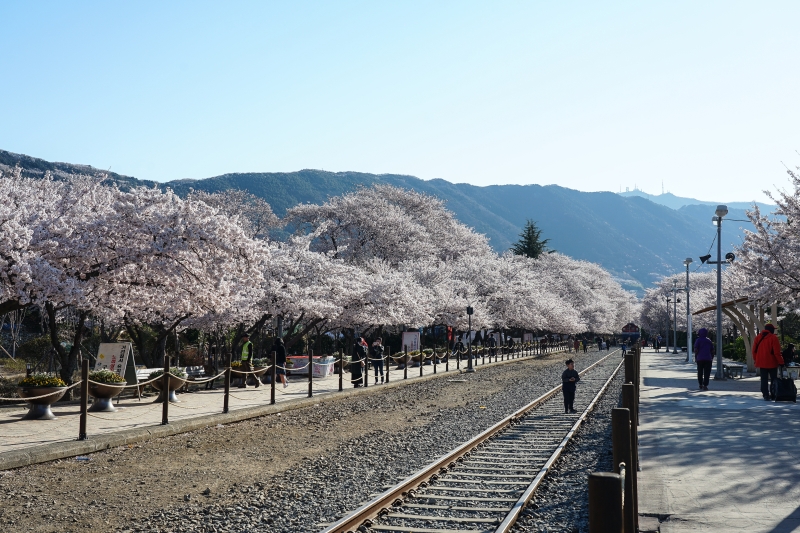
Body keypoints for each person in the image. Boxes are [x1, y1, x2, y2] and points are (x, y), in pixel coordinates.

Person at [752, 323, 784, 401]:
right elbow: (777, 352)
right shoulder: (773, 338)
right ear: (771, 330)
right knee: (773, 379)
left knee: (764, 379)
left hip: (761, 362)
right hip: (772, 362)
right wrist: (781, 362)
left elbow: (754, 351)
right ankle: (773, 394)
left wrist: (756, 360)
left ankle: (765, 395)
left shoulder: (758, 337)